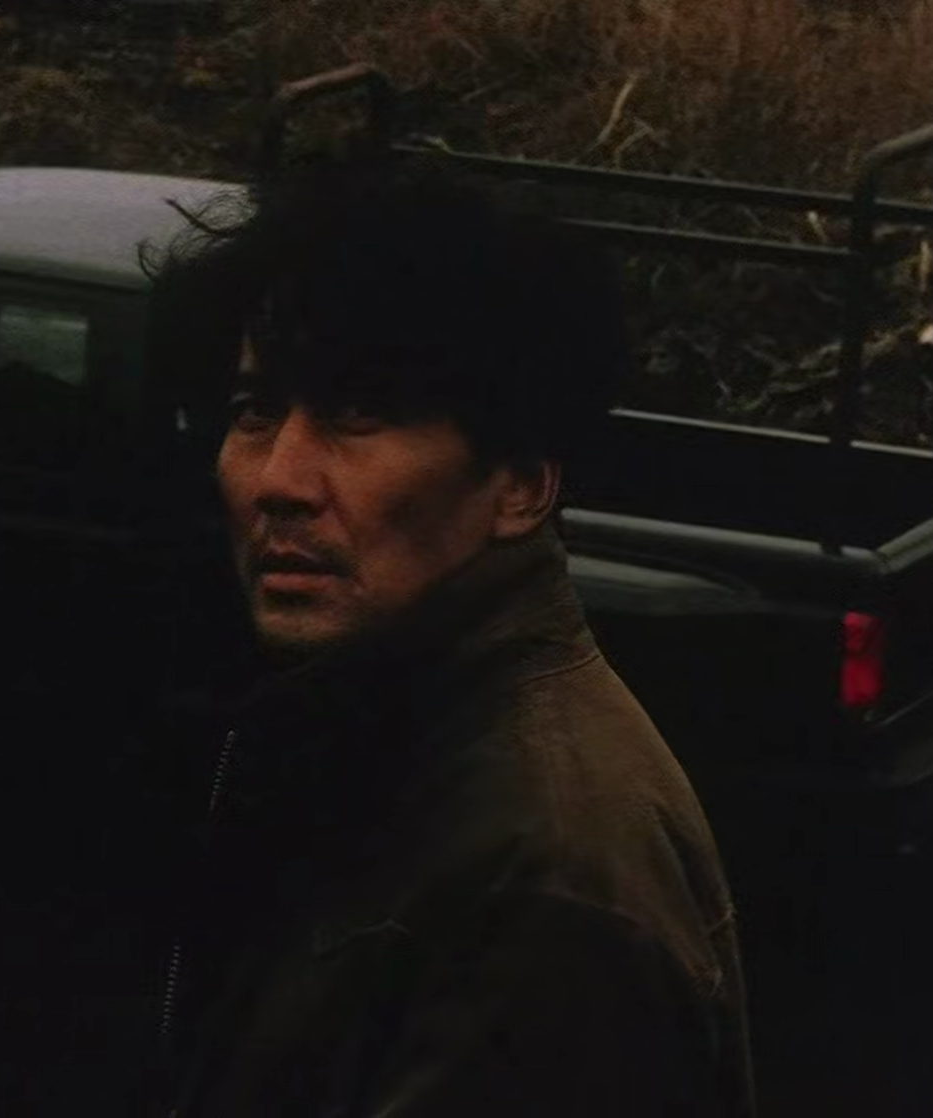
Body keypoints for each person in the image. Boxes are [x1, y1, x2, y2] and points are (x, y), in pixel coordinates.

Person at [134, 144, 757, 1116]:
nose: (278, 480)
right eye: (256, 409)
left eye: (360, 412)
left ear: (519, 486)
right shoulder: (370, 735)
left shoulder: (542, 882)